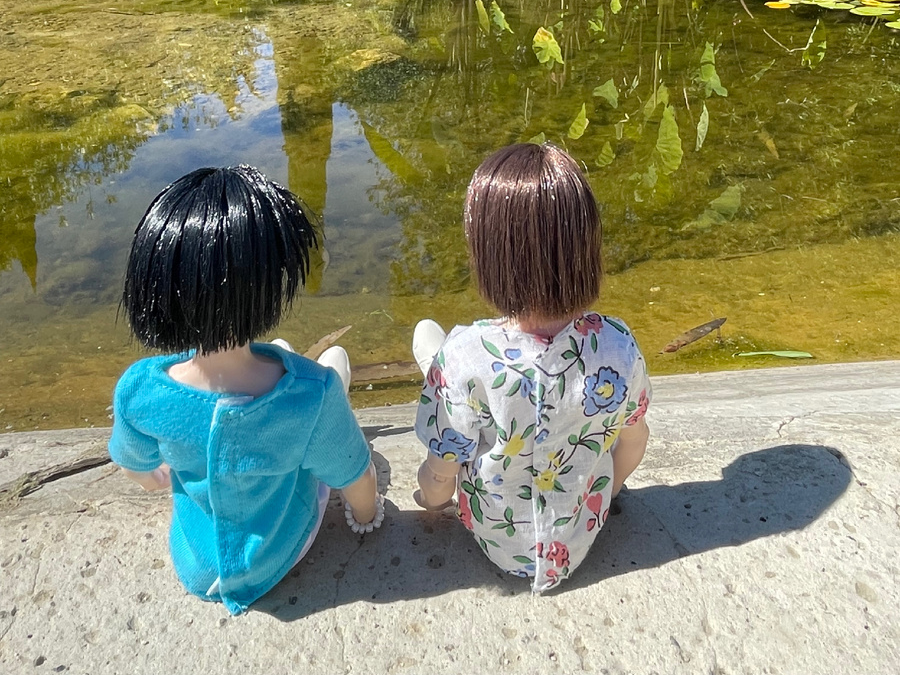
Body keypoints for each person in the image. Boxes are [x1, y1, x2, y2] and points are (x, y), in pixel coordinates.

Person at [109, 165, 382, 616]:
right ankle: (306, 370)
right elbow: (357, 479)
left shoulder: (140, 390)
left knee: (299, 383)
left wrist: (158, 478)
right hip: (274, 554)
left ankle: (277, 357)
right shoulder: (310, 397)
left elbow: (134, 464)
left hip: (196, 560)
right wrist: (368, 517)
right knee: (322, 393)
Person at [412, 143, 650, 592]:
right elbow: (634, 442)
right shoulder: (618, 347)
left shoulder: (466, 354)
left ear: (490, 260)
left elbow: (441, 471)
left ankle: (434, 369)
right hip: (578, 539)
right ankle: (438, 369)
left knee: (453, 362)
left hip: (497, 542)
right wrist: (603, 495)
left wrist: (428, 500)